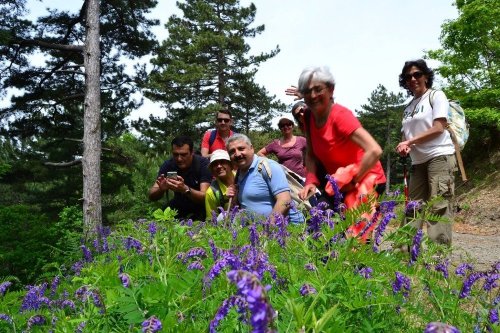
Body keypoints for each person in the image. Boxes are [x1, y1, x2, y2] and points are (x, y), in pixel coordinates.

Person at [296, 66, 386, 238]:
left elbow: (374, 150)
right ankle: (325, 263)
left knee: (357, 234)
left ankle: (360, 264)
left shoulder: (340, 116)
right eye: (307, 91)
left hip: (365, 177)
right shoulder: (308, 116)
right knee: (320, 222)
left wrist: (353, 180)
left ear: (330, 89)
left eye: (318, 89)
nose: (313, 95)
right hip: (338, 182)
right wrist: (311, 181)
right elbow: (311, 153)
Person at [396, 59, 456, 246]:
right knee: (412, 208)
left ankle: (436, 262)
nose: (413, 79)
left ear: (426, 76)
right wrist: (405, 146)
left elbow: (439, 127)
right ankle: (402, 256)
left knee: (438, 207)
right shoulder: (407, 108)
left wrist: (410, 141)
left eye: (417, 74)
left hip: (439, 156)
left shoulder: (436, 96)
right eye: (408, 77)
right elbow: (407, 136)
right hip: (417, 162)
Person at [226, 133, 304, 224]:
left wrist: (267, 230)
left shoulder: (267, 166)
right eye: (232, 151)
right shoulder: (239, 173)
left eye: (241, 149)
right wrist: (233, 197)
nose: (237, 154)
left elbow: (284, 200)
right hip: (256, 231)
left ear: (251, 148)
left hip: (285, 229)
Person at [149, 136, 212, 220]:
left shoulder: (203, 164)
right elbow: (152, 196)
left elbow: (205, 197)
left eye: (183, 155)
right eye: (175, 154)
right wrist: (161, 189)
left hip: (200, 207)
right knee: (158, 219)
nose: (179, 159)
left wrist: (185, 189)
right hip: (179, 204)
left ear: (192, 152)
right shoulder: (168, 165)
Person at [205, 149, 236, 219]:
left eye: (222, 162)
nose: (219, 166)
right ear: (212, 170)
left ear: (231, 165)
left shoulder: (242, 178)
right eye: (215, 164)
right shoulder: (211, 193)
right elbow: (211, 221)